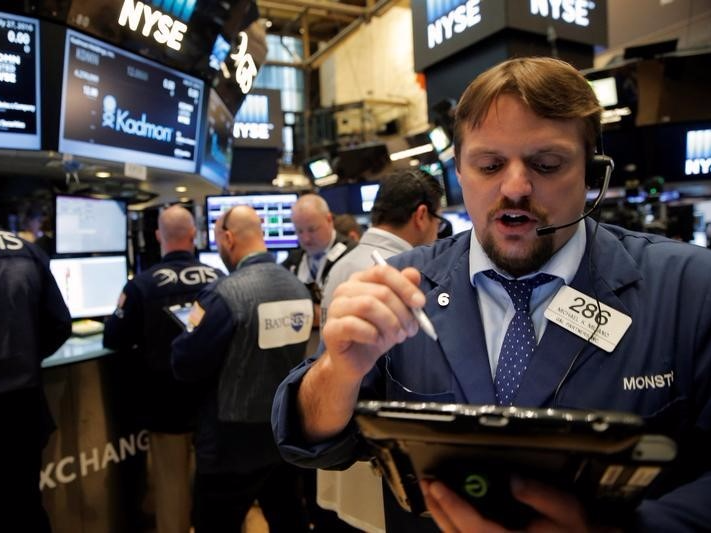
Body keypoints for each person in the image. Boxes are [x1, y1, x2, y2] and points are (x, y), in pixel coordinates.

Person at [272, 56, 711, 532]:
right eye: (489, 164)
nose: (516, 187)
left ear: (591, 171)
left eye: (547, 164)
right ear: (458, 172)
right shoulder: (400, 286)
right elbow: (311, 438)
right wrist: (339, 372)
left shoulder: (690, 288)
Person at [171, 205, 312, 533]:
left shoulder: (224, 295)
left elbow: (185, 362)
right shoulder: (297, 287)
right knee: (289, 518)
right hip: (283, 432)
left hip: (229, 444)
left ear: (228, 238)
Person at [317, 168, 444, 532]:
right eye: (437, 219)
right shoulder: (400, 272)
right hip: (378, 457)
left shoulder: (343, 262)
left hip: (339, 436)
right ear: (422, 215)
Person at [103, 205, 224, 533]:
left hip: (164, 406)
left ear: (158, 236)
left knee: (172, 494)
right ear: (194, 235)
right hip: (212, 405)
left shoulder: (139, 286)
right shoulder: (220, 280)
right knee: (218, 495)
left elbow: (113, 338)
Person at [0, 229, 72, 532]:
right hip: (23, 406)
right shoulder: (26, 251)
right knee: (26, 503)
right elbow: (60, 324)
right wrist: (28, 355)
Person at [282, 193, 357, 327]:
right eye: (299, 231)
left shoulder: (353, 254)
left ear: (329, 220)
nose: (306, 239)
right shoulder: (293, 261)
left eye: (312, 230)